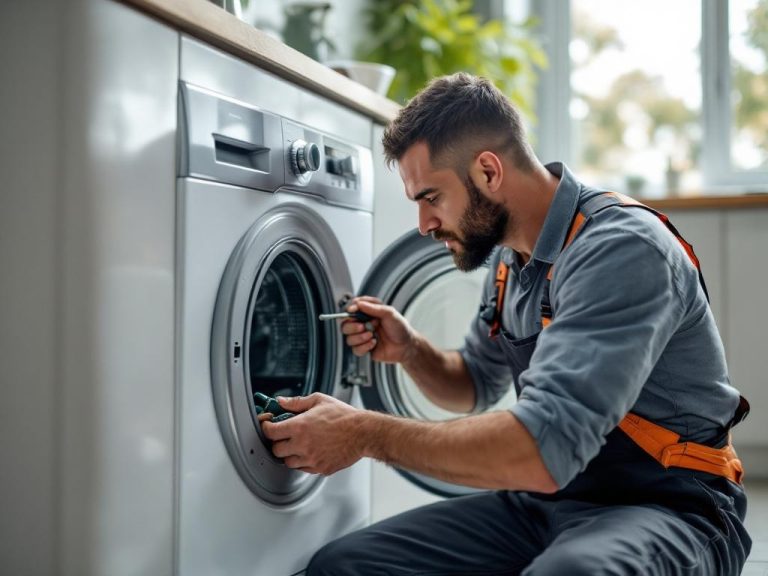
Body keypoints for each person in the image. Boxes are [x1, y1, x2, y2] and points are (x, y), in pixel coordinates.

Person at [261, 72, 751, 575]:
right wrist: (410, 350)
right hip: (549, 501)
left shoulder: (621, 249)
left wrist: (363, 433)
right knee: (346, 565)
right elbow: (473, 384)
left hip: (669, 507)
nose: (424, 225)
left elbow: (542, 449)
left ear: (488, 172)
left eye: (431, 197)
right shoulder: (509, 262)